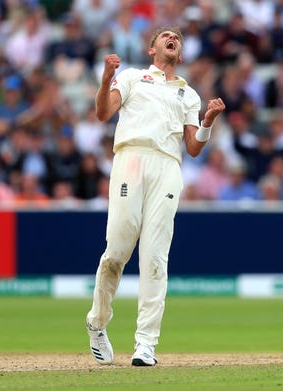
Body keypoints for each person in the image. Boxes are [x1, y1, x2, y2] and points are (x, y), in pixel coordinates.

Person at [85, 26, 225, 367]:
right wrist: (106, 78)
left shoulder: (187, 94)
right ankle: (97, 322)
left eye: (176, 37)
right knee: (117, 250)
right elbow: (103, 113)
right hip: (131, 159)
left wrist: (208, 120)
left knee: (155, 257)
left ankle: (146, 343)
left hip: (167, 166)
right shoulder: (132, 78)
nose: (171, 37)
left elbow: (193, 148)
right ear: (153, 49)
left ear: (181, 53)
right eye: (164, 35)